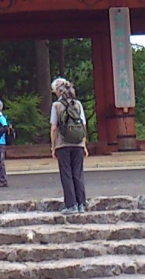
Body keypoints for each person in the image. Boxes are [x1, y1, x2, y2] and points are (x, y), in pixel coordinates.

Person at [49, 77, 87, 213]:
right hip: (78, 143)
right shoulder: (78, 104)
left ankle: (71, 205)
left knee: (66, 174)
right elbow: (83, 125)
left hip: (63, 144)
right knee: (78, 173)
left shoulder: (56, 106)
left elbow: (54, 128)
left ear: (57, 91)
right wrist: (84, 144)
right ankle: (81, 204)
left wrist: (53, 146)